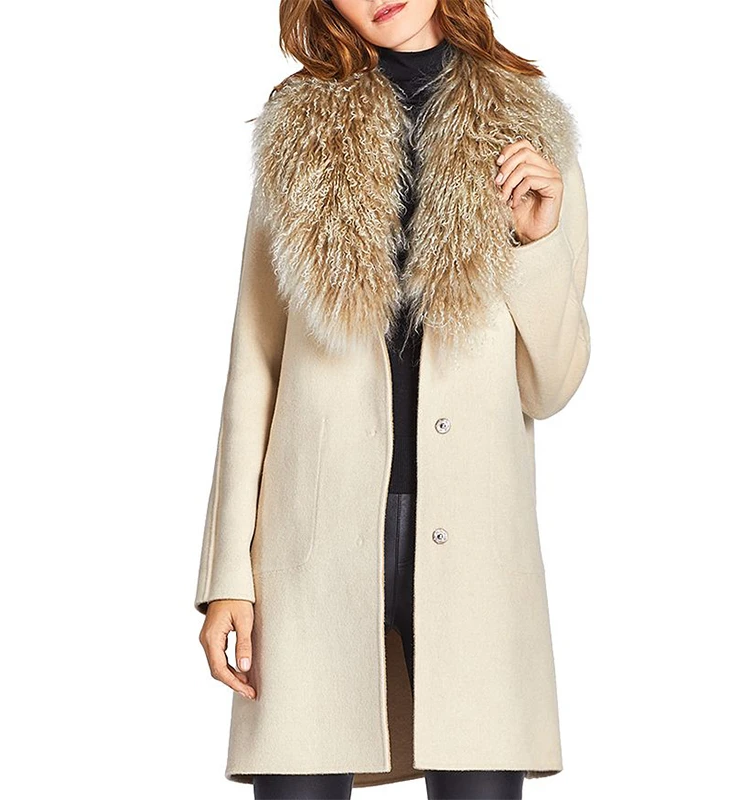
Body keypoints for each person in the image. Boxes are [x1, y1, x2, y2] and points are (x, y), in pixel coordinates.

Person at [195, 1, 591, 798]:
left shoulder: (529, 126)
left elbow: (551, 386)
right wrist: (227, 575)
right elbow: (254, 364)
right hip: (311, 538)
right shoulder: (299, 126)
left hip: (476, 545)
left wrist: (535, 246)